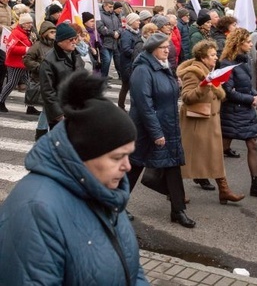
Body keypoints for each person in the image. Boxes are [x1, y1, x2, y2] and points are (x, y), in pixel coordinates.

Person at [0, 71, 149, 284]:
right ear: (85, 154)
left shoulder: (105, 189)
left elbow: (131, 269)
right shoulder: (36, 212)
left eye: (129, 154)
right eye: (117, 157)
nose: (127, 166)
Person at [127, 33, 196, 228]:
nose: (167, 50)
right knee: (134, 167)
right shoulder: (142, 70)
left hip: (167, 125)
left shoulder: (164, 67)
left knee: (172, 167)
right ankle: (114, 206)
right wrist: (156, 133)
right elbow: (144, 105)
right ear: (151, 50)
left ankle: (178, 210)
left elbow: (166, 95)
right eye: (162, 47)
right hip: (147, 128)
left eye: (168, 46)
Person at [177, 39, 245, 203]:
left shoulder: (211, 70)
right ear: (203, 57)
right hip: (196, 121)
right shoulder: (193, 72)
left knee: (216, 157)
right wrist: (203, 86)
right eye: (212, 55)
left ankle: (224, 190)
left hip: (211, 120)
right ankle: (175, 190)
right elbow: (187, 97)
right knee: (187, 159)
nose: (216, 57)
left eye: (216, 54)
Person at [220, 29, 257, 200]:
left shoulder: (244, 61)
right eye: (248, 41)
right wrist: (250, 98)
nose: (251, 44)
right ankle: (209, 177)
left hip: (245, 110)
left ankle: (256, 184)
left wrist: (254, 94)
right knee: (222, 148)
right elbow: (228, 92)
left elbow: (246, 84)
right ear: (239, 43)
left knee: (253, 144)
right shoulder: (226, 64)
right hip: (232, 111)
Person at [39, 22, 84, 130]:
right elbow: (47, 91)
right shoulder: (49, 61)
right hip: (61, 112)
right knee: (60, 144)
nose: (74, 42)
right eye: (71, 39)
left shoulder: (76, 55)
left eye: (75, 38)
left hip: (76, 109)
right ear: (60, 41)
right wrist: (58, 115)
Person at [23, 21, 57, 140]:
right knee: (48, 107)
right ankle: (41, 132)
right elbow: (27, 60)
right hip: (41, 80)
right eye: (51, 32)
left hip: (54, 80)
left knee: (51, 107)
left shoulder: (56, 45)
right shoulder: (37, 46)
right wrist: (40, 67)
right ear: (44, 33)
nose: (54, 34)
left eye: (55, 32)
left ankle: (46, 132)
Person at [0, 13, 37, 114]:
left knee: (30, 85)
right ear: (22, 24)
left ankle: (30, 106)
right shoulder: (16, 33)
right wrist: (27, 49)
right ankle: (1, 102)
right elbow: (11, 48)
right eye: (28, 23)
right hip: (16, 64)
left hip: (24, 63)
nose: (30, 24)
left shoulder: (28, 33)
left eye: (31, 22)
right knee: (11, 83)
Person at [118, 13, 141, 111]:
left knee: (127, 86)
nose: (139, 22)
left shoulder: (137, 32)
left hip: (133, 63)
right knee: (127, 86)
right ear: (131, 22)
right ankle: (122, 107)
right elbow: (126, 49)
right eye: (137, 20)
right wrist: (138, 53)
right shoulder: (126, 34)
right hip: (127, 65)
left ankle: (122, 107)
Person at [97, 0, 122, 80]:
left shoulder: (114, 16)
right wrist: (113, 33)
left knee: (107, 62)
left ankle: (104, 78)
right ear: (105, 6)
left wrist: (118, 32)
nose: (111, 8)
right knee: (106, 60)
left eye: (112, 7)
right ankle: (102, 79)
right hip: (104, 43)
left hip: (113, 43)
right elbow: (101, 29)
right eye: (110, 7)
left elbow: (120, 26)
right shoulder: (100, 16)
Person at [0, 0, 13, 96]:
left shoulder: (9, 8)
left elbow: (12, 20)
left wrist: (13, 26)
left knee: (3, 64)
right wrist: (4, 27)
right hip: (1, 35)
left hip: (5, 39)